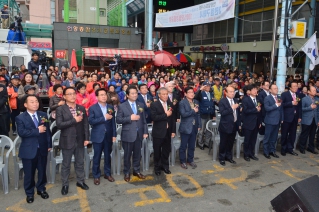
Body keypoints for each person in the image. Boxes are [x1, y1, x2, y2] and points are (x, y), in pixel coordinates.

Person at [16, 95, 52, 204]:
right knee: (29, 173)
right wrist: (37, 130)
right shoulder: (20, 118)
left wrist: (49, 144)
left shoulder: (43, 114)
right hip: (28, 150)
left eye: (36, 101)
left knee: (42, 171)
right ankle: (30, 193)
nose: (35, 103)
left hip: (42, 148)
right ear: (25, 105)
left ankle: (41, 189)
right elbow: (22, 133)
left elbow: (48, 132)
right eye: (32, 102)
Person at [56, 87, 90, 195]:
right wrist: (73, 120)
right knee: (66, 164)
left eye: (74, 94)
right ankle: (65, 184)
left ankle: (80, 181)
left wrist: (86, 138)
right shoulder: (60, 109)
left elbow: (85, 124)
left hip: (79, 139)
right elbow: (59, 125)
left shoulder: (81, 108)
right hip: (67, 140)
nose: (72, 96)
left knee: (80, 162)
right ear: (64, 97)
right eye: (69, 94)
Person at [116, 86, 148, 182]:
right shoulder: (122, 106)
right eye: (132, 93)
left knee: (138, 154)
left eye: (135, 93)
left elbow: (144, 120)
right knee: (127, 155)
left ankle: (136, 170)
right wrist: (130, 118)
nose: (134, 95)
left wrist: (145, 131)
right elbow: (118, 119)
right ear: (127, 95)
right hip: (128, 134)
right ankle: (126, 172)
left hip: (139, 133)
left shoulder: (140, 104)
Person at [88, 88, 116, 185]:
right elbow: (91, 121)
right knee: (97, 156)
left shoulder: (110, 107)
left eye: (105, 94)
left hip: (108, 135)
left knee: (108, 156)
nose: (104, 96)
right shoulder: (92, 108)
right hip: (97, 136)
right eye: (101, 95)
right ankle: (96, 175)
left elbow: (113, 122)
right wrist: (104, 117)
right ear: (97, 97)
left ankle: (107, 173)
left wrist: (114, 135)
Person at [150, 87, 176, 175]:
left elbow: (172, 118)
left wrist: (173, 131)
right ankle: (157, 168)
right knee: (157, 151)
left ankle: (165, 166)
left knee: (166, 150)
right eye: (163, 94)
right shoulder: (154, 104)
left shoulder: (170, 103)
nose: (165, 96)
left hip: (168, 131)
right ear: (159, 95)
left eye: (166, 94)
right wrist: (165, 115)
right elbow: (154, 118)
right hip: (158, 132)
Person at [179, 87, 201, 169]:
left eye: (193, 92)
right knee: (183, 146)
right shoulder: (182, 103)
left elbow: (198, 114)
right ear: (185, 94)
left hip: (194, 127)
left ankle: (190, 160)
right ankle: (183, 161)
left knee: (192, 146)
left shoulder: (196, 101)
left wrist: (199, 125)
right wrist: (193, 111)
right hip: (186, 127)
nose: (192, 94)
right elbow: (183, 114)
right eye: (189, 92)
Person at [218, 86, 240, 166]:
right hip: (225, 125)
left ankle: (229, 157)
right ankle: (222, 158)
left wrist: (239, 123)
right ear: (226, 92)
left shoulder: (236, 100)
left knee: (231, 142)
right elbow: (222, 112)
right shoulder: (222, 101)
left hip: (234, 125)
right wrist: (232, 108)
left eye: (233, 91)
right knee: (223, 143)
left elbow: (238, 114)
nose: (232, 93)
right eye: (230, 91)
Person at [280, 81, 300, 156]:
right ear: (290, 87)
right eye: (294, 86)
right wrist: (291, 103)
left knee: (292, 134)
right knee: (284, 134)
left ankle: (290, 148)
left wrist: (299, 116)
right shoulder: (284, 94)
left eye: (296, 86)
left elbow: (299, 107)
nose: (295, 88)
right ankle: (283, 149)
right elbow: (282, 104)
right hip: (286, 117)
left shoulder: (298, 95)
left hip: (295, 118)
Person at [242, 84, 261, 161]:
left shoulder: (258, 99)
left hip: (256, 123)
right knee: (247, 140)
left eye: (256, 89)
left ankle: (251, 153)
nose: (255, 91)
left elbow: (260, 112)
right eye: (253, 90)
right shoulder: (245, 99)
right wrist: (255, 110)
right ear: (249, 91)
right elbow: (245, 111)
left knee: (253, 140)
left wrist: (259, 122)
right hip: (248, 123)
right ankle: (246, 154)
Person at [263, 84, 282, 159]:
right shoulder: (267, 98)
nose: (276, 90)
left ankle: (272, 151)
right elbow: (267, 108)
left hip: (277, 120)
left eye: (277, 88)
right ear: (270, 90)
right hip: (270, 120)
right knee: (267, 137)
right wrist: (276, 105)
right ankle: (266, 152)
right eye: (274, 88)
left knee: (274, 138)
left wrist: (282, 118)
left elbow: (281, 109)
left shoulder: (279, 98)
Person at [195, 81, 215, 150]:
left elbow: (213, 104)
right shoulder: (201, 94)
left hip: (210, 113)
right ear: (204, 86)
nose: (208, 87)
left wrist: (214, 115)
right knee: (202, 129)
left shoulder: (211, 94)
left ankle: (207, 142)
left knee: (209, 129)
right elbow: (196, 97)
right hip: (203, 114)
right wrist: (200, 89)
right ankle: (200, 143)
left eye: (209, 86)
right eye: (207, 86)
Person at [299, 86, 319, 155]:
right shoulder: (304, 99)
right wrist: (310, 107)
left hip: (314, 120)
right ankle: (302, 147)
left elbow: (318, 111)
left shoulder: (317, 99)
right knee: (304, 134)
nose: (315, 92)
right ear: (308, 91)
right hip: (306, 119)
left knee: (312, 135)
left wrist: (318, 120)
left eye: (315, 91)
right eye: (313, 90)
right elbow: (302, 109)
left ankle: (311, 147)